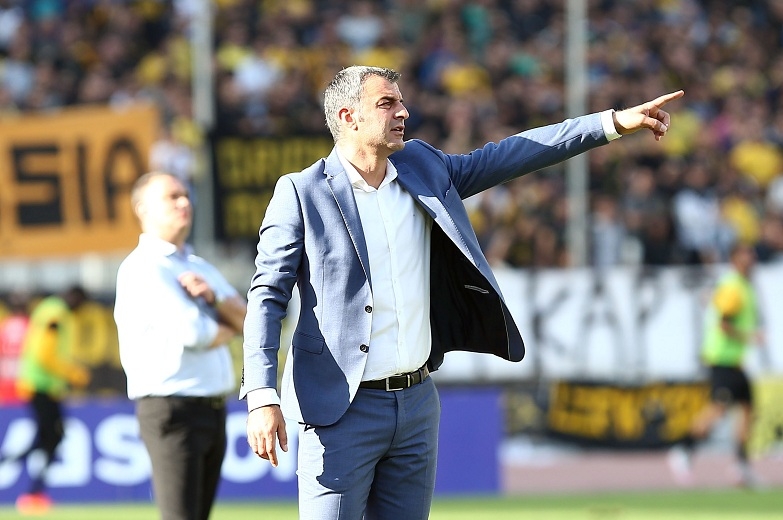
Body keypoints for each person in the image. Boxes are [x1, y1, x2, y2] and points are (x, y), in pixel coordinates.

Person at [241, 65, 683, 519]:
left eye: (401, 101)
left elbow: (514, 153)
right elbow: (266, 297)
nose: (403, 112)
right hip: (340, 409)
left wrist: (611, 123)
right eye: (387, 103)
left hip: (416, 405)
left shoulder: (422, 165)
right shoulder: (301, 193)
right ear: (348, 116)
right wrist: (261, 395)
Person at [114, 171, 247, 520]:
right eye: (171, 196)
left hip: (211, 408)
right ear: (142, 208)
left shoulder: (197, 266)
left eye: (185, 194)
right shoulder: (143, 267)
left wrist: (215, 298)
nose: (184, 202)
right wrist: (229, 320)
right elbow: (196, 334)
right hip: (172, 408)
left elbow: (249, 321)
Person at [668, 242, 762, 487]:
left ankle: (741, 465)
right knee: (718, 409)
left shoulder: (742, 284)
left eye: (752, 254)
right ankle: (683, 449)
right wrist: (749, 337)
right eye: (746, 254)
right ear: (734, 258)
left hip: (735, 360)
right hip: (722, 358)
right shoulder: (733, 286)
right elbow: (724, 323)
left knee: (747, 408)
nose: (751, 258)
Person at [0, 286, 91, 514]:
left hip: (42, 385)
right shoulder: (56, 314)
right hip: (42, 385)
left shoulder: (48, 309)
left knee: (48, 437)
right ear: (75, 298)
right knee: (51, 437)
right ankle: (33, 493)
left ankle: (34, 491)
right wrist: (72, 373)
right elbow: (45, 353)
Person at [0, 290, 30, 405]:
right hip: (23, 367)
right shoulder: (29, 323)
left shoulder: (5, 323)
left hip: (6, 367)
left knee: (8, 404)